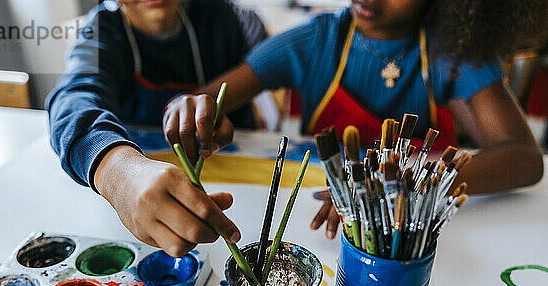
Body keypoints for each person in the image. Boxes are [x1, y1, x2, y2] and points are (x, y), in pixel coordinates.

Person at [163, 0, 547, 240]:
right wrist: (191, 109)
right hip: (325, 232)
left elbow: (524, 159)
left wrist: (400, 186)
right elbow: (207, 97)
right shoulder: (317, 41)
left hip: (417, 236)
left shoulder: (452, 52)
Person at [47, 0, 267, 256]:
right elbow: (72, 101)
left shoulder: (222, 19)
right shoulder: (101, 31)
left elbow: (244, 119)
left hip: (238, 195)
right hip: (138, 215)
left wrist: (219, 119)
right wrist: (118, 175)